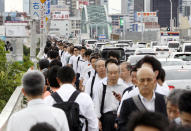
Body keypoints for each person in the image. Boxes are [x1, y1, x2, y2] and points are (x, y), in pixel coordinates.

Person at [44, 66, 98, 131]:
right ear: (75, 79)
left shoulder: (49, 99)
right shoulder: (85, 98)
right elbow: (93, 125)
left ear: (58, 80)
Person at [93, 63, 126, 131]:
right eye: (110, 73)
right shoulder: (101, 86)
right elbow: (96, 104)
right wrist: (97, 120)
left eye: (115, 73)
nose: (113, 75)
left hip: (120, 118)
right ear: (107, 73)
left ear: (119, 73)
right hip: (106, 119)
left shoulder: (124, 87)